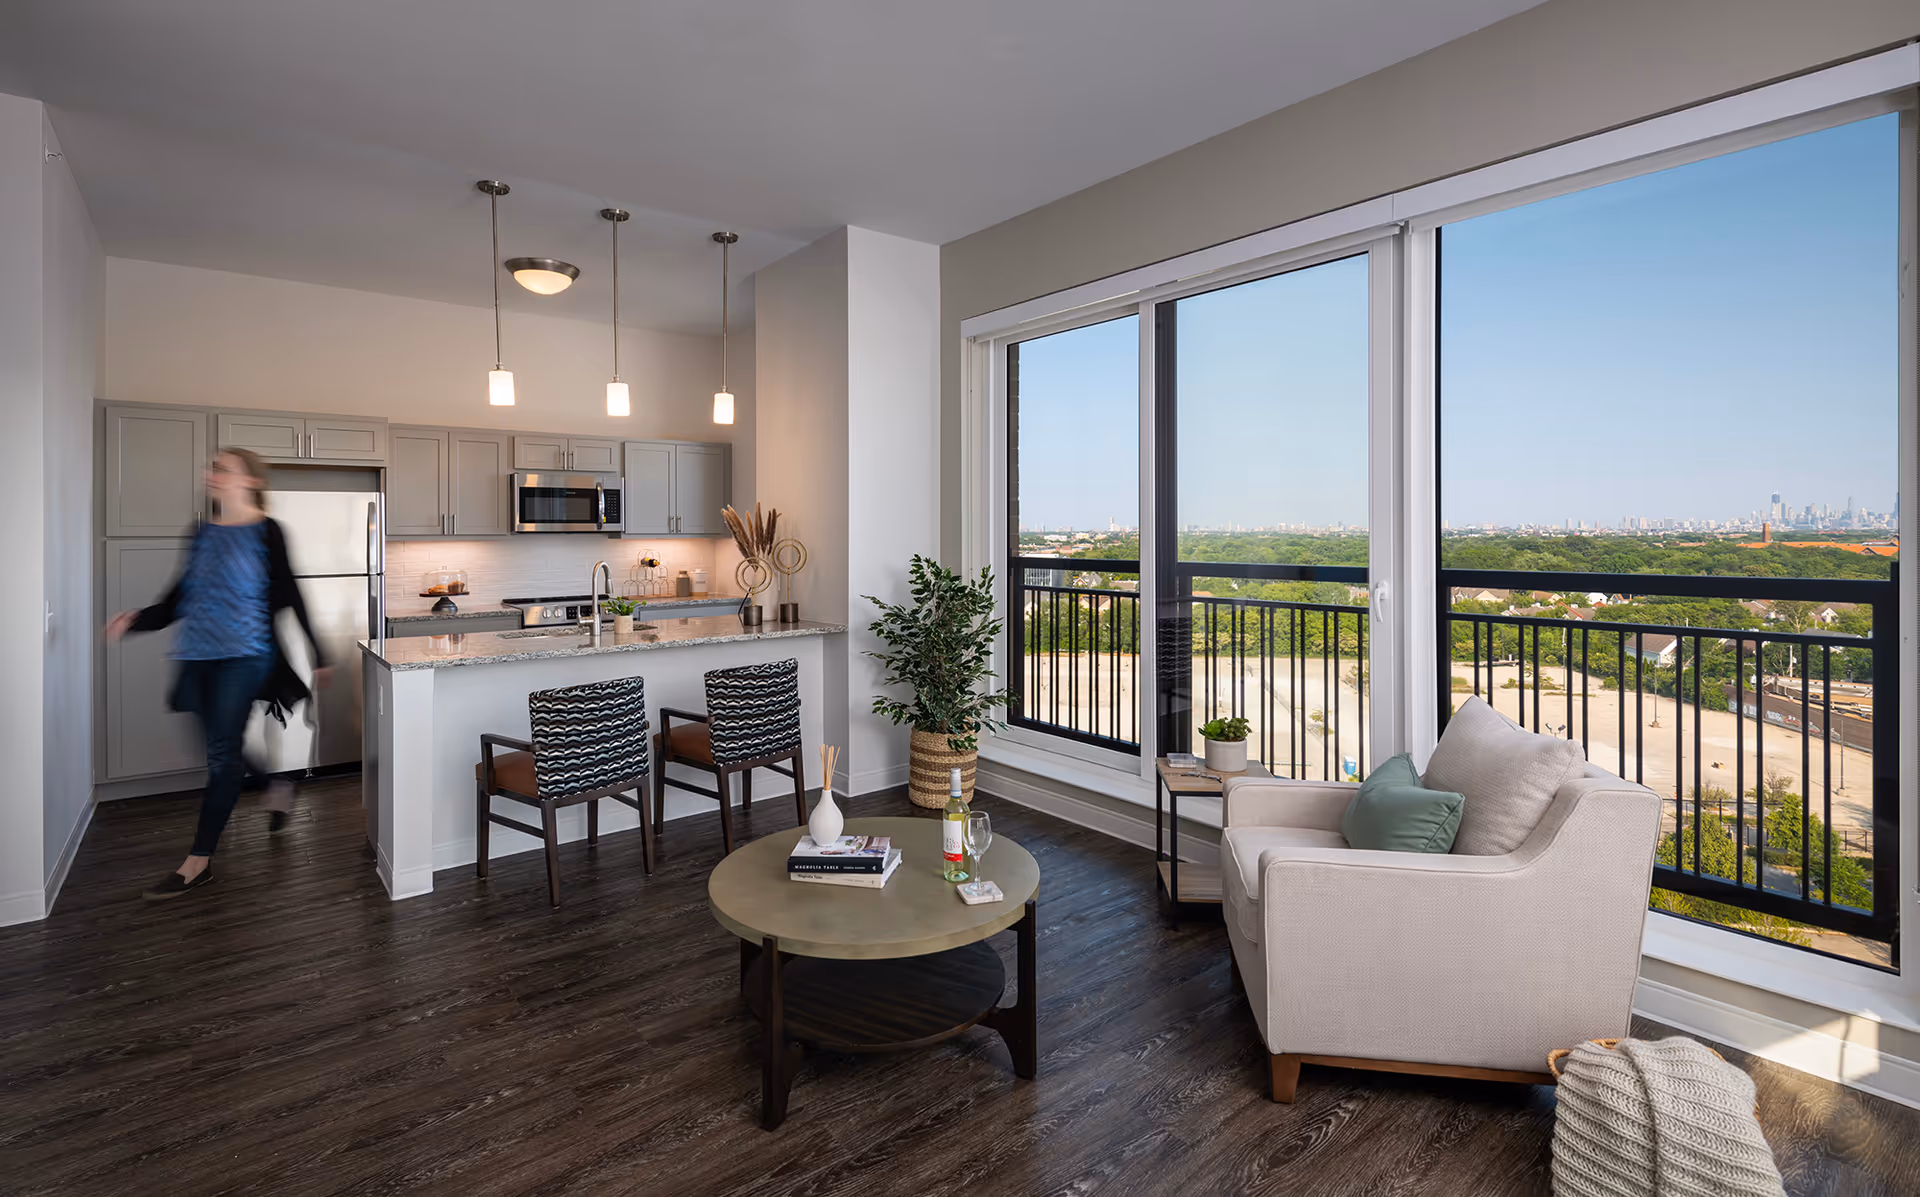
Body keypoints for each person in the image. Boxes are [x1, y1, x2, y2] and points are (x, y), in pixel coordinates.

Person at [105, 447, 331, 900]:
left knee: (221, 755)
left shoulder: (268, 532)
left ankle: (197, 862)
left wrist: (318, 650)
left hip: (247, 655)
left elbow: (290, 593)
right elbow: (179, 599)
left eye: (222, 467)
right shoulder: (201, 532)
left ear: (249, 481)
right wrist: (136, 620)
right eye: (211, 466)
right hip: (196, 657)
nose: (211, 473)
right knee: (216, 746)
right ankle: (274, 785)